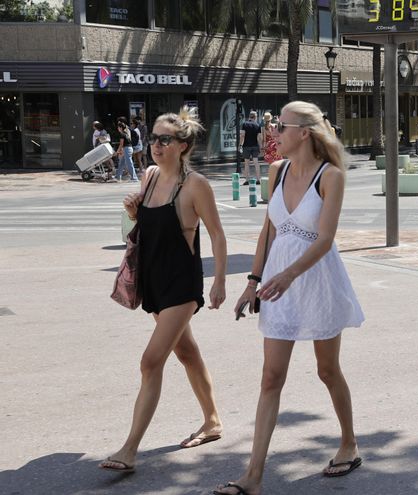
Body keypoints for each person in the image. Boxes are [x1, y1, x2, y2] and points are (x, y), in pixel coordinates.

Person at [214, 101, 365, 495]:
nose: (274, 133)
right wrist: (253, 280)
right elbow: (269, 231)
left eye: (281, 126)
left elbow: (326, 238)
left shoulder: (330, 176)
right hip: (277, 281)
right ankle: (253, 476)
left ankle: (348, 442)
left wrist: (288, 275)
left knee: (327, 370)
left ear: (305, 133)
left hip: (316, 279)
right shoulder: (277, 172)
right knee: (270, 377)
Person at [99, 109, 228, 473]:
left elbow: (217, 234)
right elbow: (148, 226)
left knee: (150, 361)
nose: (155, 145)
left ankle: (129, 449)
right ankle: (213, 420)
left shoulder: (195, 185)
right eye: (153, 138)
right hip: (153, 280)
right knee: (187, 353)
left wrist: (220, 280)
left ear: (182, 146)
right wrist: (133, 209)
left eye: (164, 140)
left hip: (181, 285)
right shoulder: (150, 176)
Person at [240, 110, 263, 185]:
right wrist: (261, 146)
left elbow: (242, 135)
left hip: (246, 146)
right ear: (255, 117)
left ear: (249, 116)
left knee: (247, 163)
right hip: (255, 146)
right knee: (256, 162)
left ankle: (247, 180)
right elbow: (259, 137)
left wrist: (240, 145)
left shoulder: (244, 124)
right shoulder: (257, 125)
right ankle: (258, 179)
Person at [115, 117, 139, 182]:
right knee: (121, 163)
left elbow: (121, 144)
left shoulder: (122, 134)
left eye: (118, 127)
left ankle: (134, 178)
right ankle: (118, 176)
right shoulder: (126, 132)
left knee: (129, 164)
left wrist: (117, 151)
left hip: (126, 149)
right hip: (128, 148)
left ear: (120, 128)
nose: (117, 128)